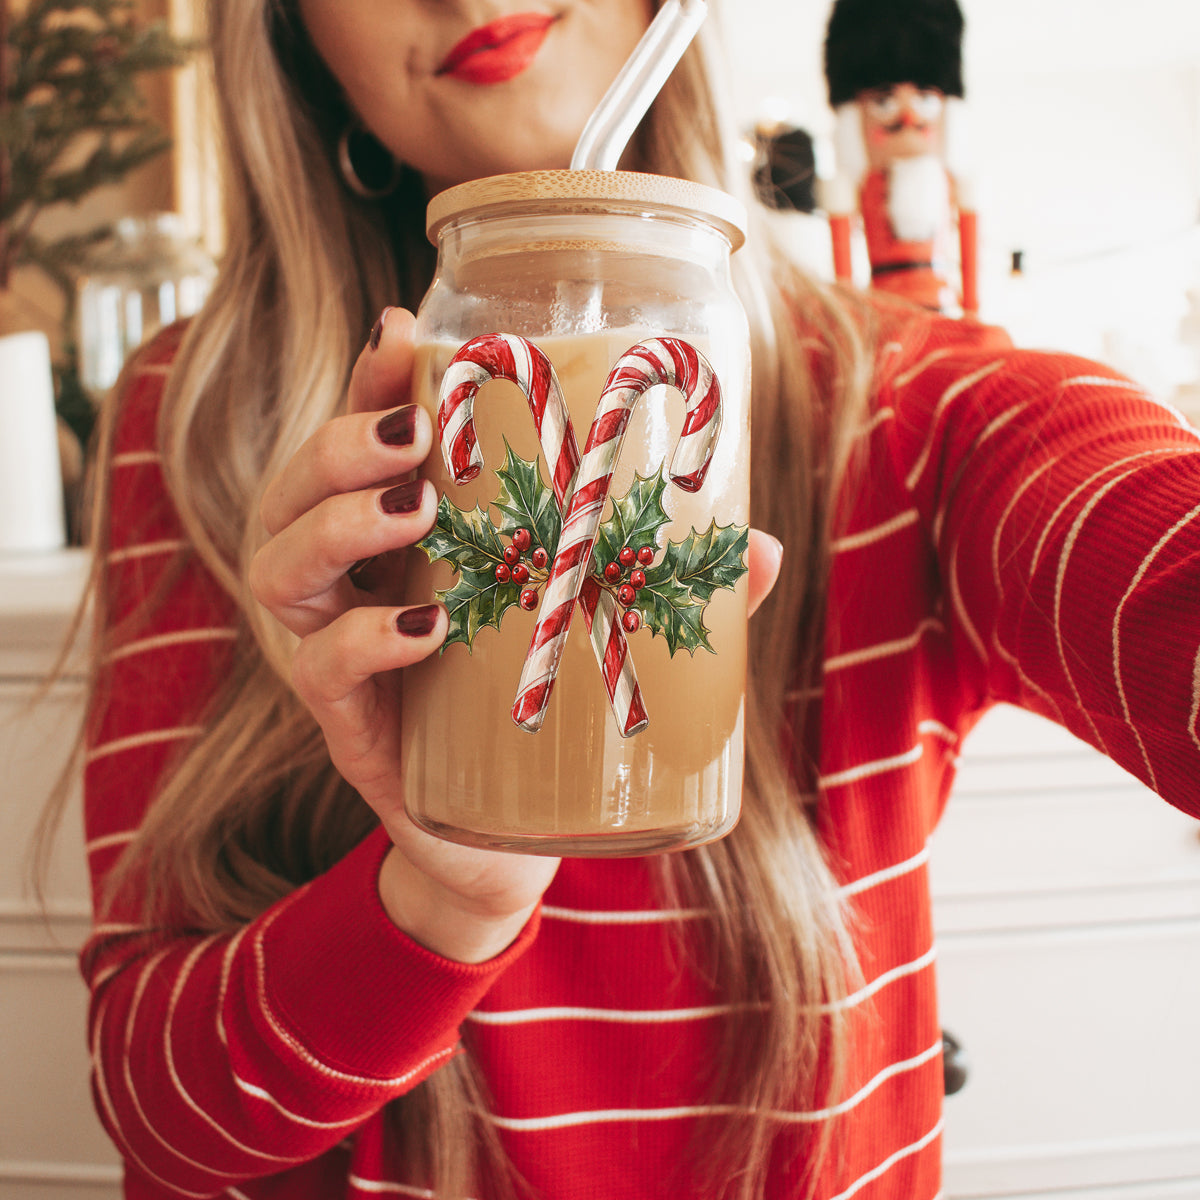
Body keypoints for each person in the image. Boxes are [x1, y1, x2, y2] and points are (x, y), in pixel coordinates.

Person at [72, 1, 1200, 1198]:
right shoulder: (204, 424)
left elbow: (1147, 553)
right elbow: (159, 1119)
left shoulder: (918, 411)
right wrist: (442, 898)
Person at [822, 0, 980, 315]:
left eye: (924, 98)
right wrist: (847, 314)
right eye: (883, 101)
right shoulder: (860, 187)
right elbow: (844, 278)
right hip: (882, 311)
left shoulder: (952, 183)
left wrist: (972, 310)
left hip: (945, 308)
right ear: (855, 116)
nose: (908, 117)